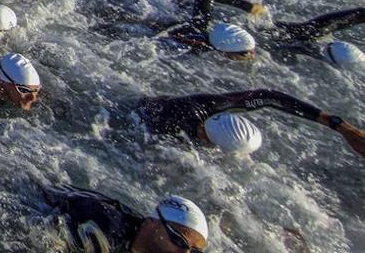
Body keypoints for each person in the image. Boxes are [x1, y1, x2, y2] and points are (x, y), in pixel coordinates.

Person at [132, 90, 365, 159]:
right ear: (205, 134)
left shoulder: (214, 105)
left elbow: (271, 97)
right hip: (134, 112)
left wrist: (338, 125)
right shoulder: (170, 132)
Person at [41, 187, 209, 253]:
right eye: (179, 241)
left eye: (194, 251)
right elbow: (38, 237)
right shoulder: (104, 238)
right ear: (152, 224)